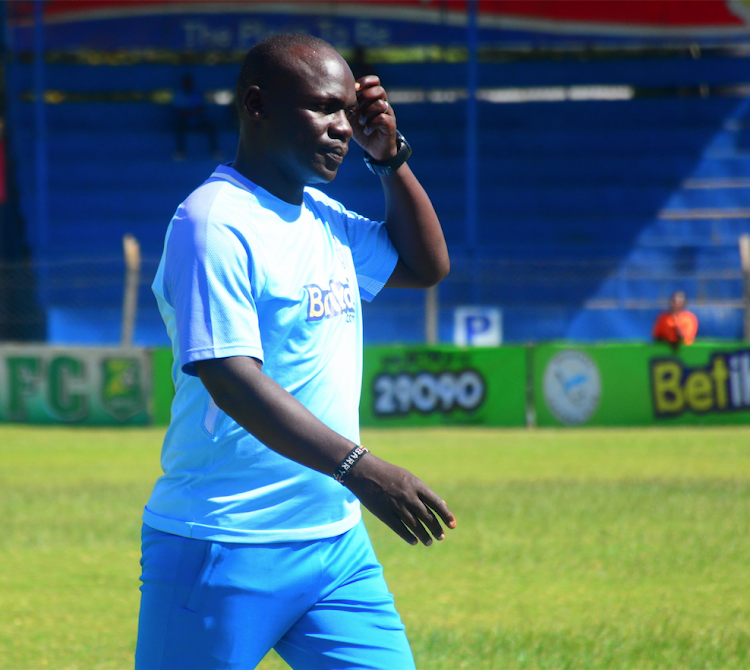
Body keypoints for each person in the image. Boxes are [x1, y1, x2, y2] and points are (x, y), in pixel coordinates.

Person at [136, 33, 454, 670]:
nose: (342, 127)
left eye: (348, 110)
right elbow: (230, 376)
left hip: (335, 549)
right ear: (257, 105)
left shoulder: (322, 217)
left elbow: (426, 266)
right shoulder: (213, 223)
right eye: (323, 108)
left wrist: (390, 161)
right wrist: (361, 468)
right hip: (222, 545)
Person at [172, 74, 221, 161]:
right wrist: (190, 112)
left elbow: (201, 108)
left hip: (198, 120)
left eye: (189, 83)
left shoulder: (197, 94)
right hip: (185, 121)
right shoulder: (179, 95)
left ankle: (215, 151)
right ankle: (180, 152)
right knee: (178, 127)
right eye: (186, 83)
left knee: (211, 126)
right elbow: (178, 111)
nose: (188, 85)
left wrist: (191, 112)